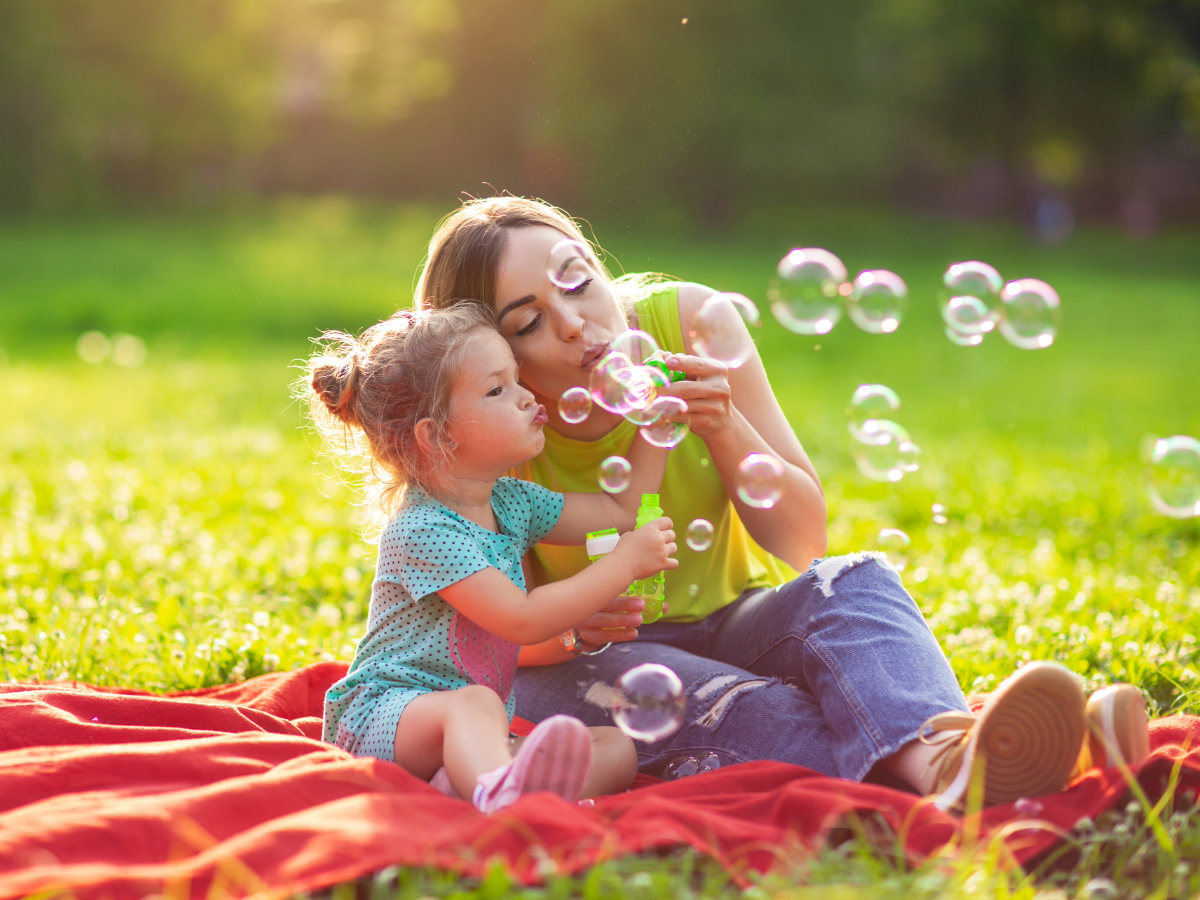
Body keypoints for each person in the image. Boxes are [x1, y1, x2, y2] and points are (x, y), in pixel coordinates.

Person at [414, 196, 1151, 810]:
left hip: (734, 619)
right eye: (527, 323)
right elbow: (477, 642)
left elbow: (803, 543)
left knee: (854, 581)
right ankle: (1001, 762)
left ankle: (955, 764)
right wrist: (573, 625)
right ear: (487, 354)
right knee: (738, 704)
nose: (575, 322)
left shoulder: (687, 323)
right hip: (583, 664)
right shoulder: (487, 427)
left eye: (576, 280)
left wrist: (724, 425)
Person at [301, 304, 679, 812]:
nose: (527, 398)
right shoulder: (422, 529)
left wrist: (661, 419)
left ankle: (472, 786)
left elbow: (620, 507)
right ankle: (502, 799)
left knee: (616, 749)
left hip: (473, 730)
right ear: (437, 436)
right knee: (475, 704)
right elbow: (520, 620)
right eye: (497, 390)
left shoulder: (512, 501)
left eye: (516, 379)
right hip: (381, 719)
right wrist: (624, 564)